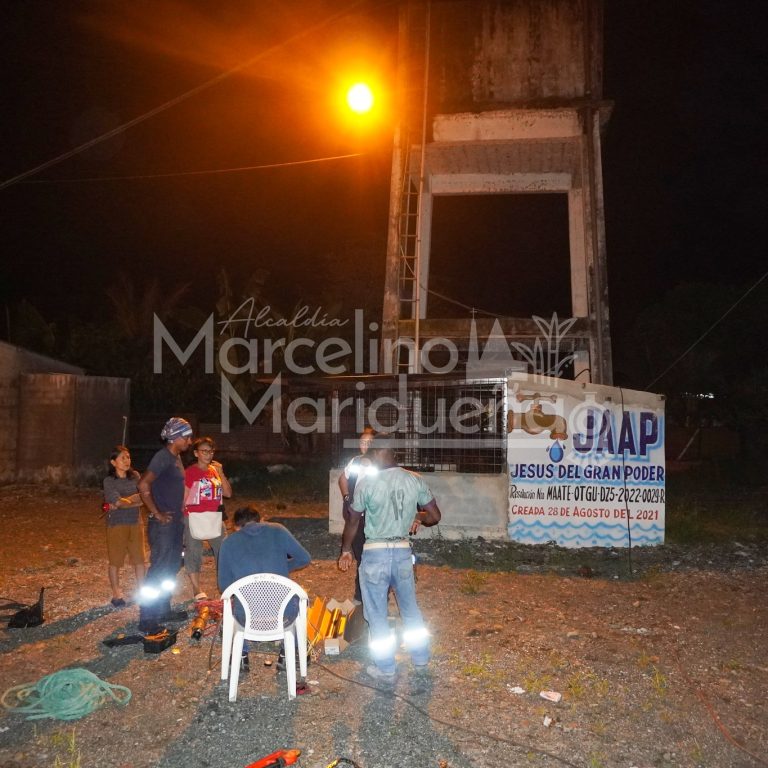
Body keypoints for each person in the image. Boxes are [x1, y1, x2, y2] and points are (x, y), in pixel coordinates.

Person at [338, 433, 441, 680]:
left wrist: (346, 549)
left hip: (375, 553)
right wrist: (418, 517)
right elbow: (435, 516)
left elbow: (353, 520)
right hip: (403, 552)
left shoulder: (367, 483)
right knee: (410, 609)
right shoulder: (414, 479)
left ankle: (386, 669)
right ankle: (421, 658)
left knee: (377, 613)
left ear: (376, 453)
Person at [218, 505, 311, 670]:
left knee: (229, 609)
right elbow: (304, 558)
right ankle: (292, 653)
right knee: (299, 600)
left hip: (246, 618)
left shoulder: (228, 543)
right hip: (284, 616)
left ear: (237, 527)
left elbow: (224, 586)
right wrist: (281, 569)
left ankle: (240, 655)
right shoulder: (278, 530)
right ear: (261, 520)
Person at [136, 417, 193, 633]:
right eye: (187, 437)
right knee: (159, 568)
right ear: (176, 438)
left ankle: (163, 609)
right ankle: (147, 617)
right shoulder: (162, 457)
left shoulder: (175, 457)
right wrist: (156, 513)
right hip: (163, 526)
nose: (189, 441)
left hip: (175, 522)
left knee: (172, 566)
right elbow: (143, 484)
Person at [184, 437, 232, 601]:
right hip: (194, 516)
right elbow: (184, 496)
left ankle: (225, 585)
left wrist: (221, 473)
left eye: (211, 451)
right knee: (193, 551)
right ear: (196, 453)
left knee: (223, 551)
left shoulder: (215, 470)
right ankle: (196, 589)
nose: (208, 454)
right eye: (204, 451)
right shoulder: (190, 472)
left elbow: (228, 493)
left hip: (215, 516)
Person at [102, 446, 146, 608]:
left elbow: (143, 497)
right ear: (113, 462)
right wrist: (134, 501)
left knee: (139, 559)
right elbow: (118, 502)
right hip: (117, 524)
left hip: (135, 522)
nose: (127, 460)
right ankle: (116, 593)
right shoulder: (109, 481)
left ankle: (142, 590)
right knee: (115, 560)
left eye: (128, 457)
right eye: (122, 458)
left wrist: (125, 501)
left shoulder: (135, 477)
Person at [337, 427, 375, 603]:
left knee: (371, 556)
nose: (365, 445)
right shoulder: (355, 462)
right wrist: (346, 497)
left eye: (369, 442)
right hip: (356, 516)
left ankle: (370, 595)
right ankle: (360, 596)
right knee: (361, 556)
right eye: (362, 442)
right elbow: (342, 478)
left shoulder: (381, 464)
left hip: (375, 517)